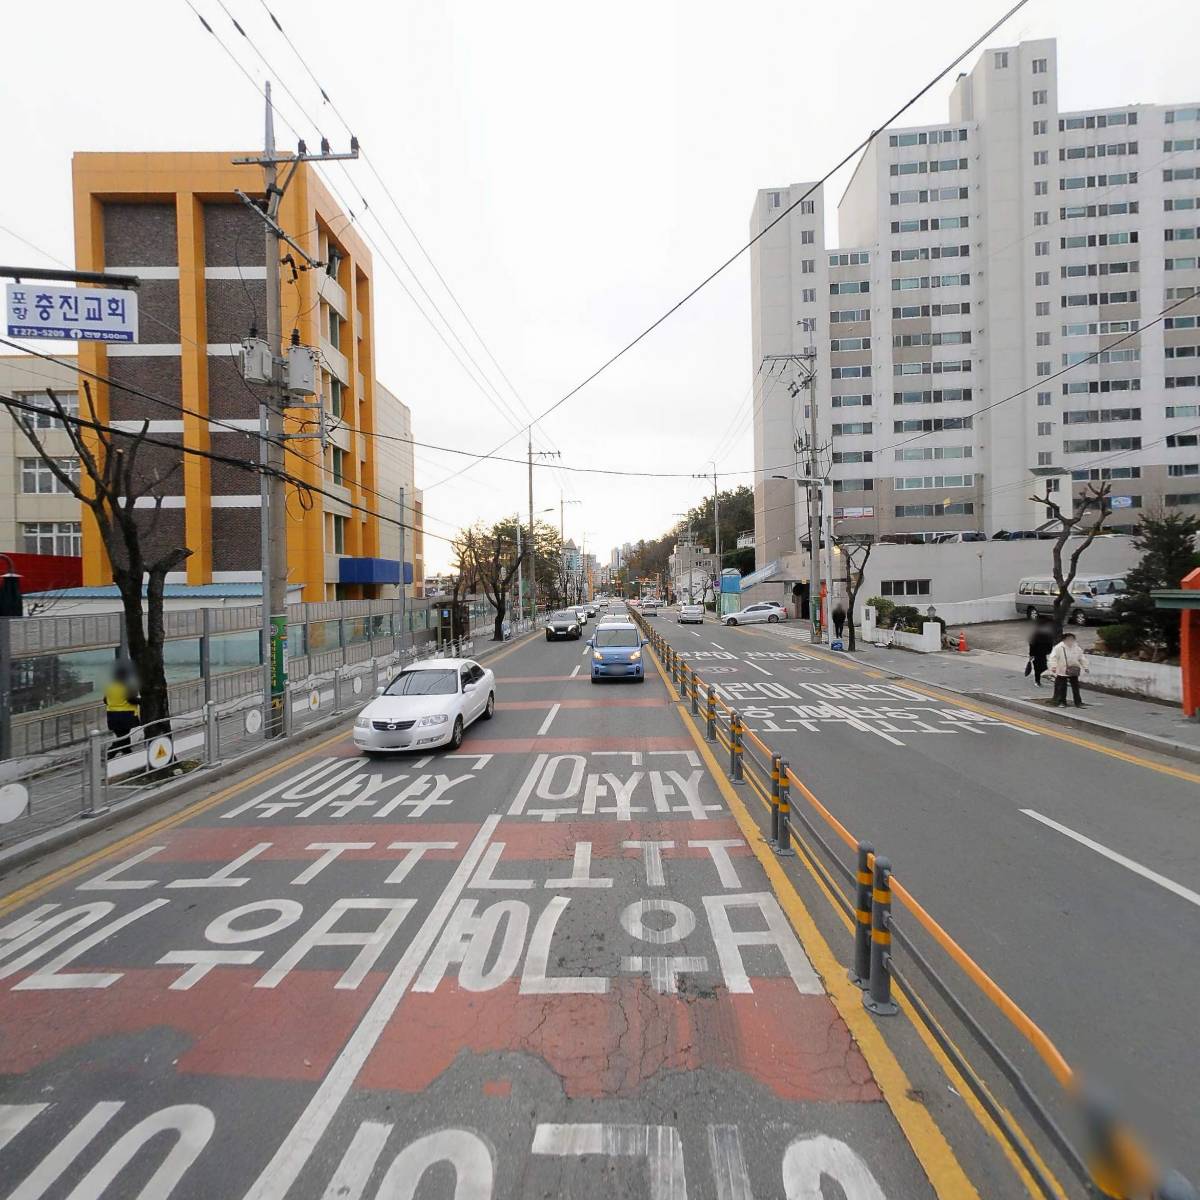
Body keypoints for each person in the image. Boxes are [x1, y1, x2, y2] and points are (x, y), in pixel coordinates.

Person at [104, 662, 140, 757]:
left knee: (122, 735)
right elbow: (132, 700)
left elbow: (105, 700)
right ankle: (110, 752)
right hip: (126, 715)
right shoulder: (127, 687)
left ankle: (127, 751)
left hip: (112, 715)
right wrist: (143, 701)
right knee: (123, 736)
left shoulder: (110, 687)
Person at [1047, 633, 1087, 708]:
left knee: (1075, 687)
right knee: (1062, 687)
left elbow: (1081, 657)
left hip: (1073, 670)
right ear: (1064, 640)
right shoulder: (1059, 647)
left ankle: (1078, 702)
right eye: (1068, 639)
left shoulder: (1076, 647)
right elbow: (1053, 658)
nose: (1070, 641)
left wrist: (1085, 666)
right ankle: (1062, 702)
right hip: (1062, 670)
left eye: (1072, 639)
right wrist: (1053, 666)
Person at [1027, 620, 1054, 687]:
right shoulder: (1036, 636)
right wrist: (1031, 655)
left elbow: (1050, 644)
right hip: (1037, 654)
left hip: (1043, 653)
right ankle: (1037, 681)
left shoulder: (1048, 635)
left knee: (1043, 666)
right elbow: (1032, 646)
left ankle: (1043, 676)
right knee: (1038, 668)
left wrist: (1049, 651)